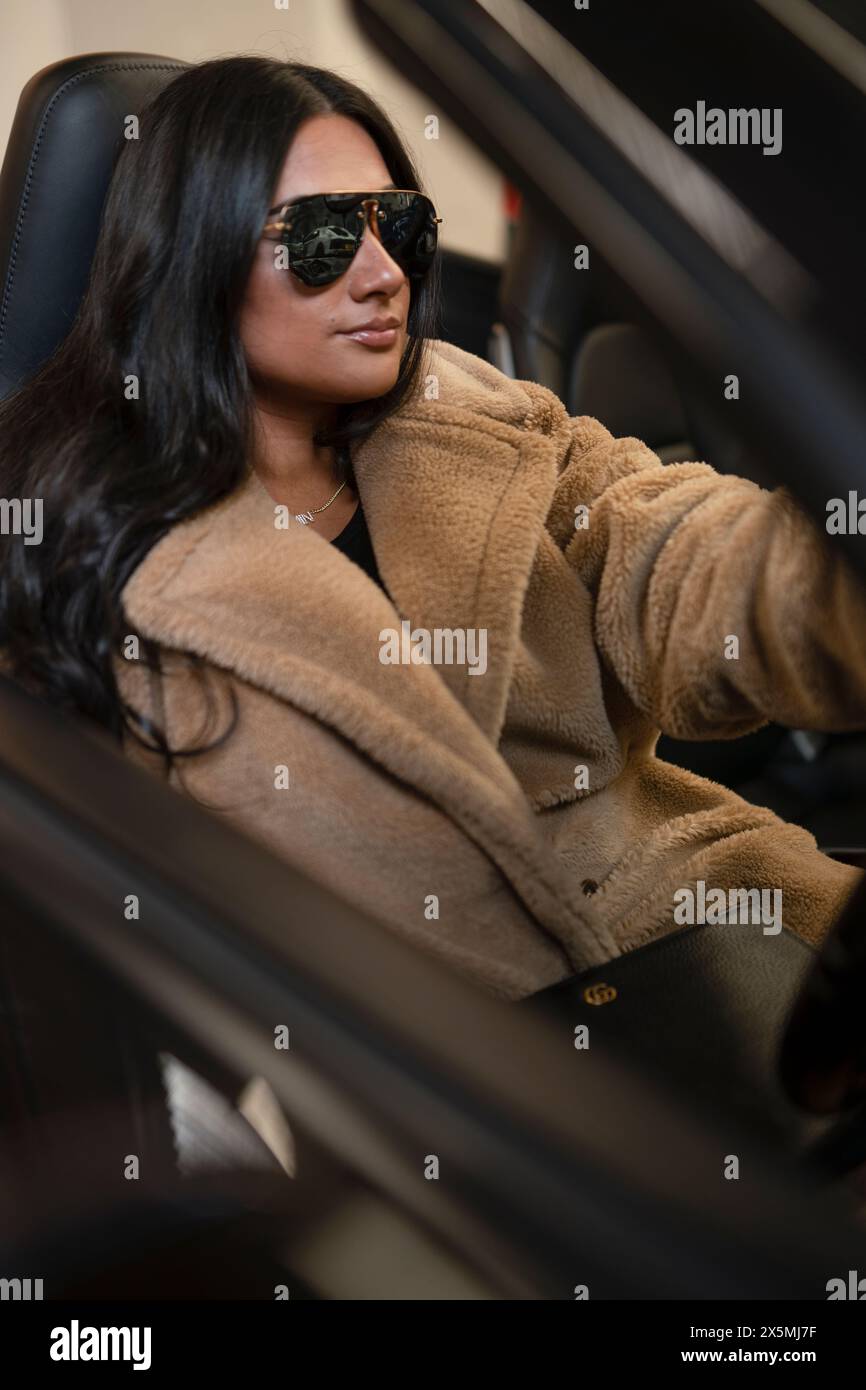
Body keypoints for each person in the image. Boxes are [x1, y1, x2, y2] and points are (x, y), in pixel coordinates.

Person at [1, 55, 864, 1006]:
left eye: (399, 227)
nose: (381, 276)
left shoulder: (476, 413)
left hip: (725, 938)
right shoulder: (83, 558)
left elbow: (674, 551)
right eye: (323, 237)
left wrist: (831, 578)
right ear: (191, 254)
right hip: (458, 1069)